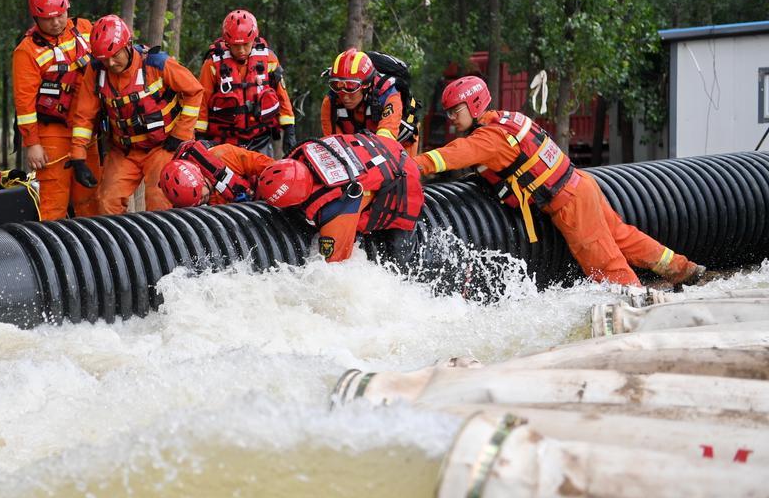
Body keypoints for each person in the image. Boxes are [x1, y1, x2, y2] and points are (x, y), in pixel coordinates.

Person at [418, 75, 706, 286]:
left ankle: (634, 310)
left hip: (567, 204)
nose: (450, 118)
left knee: (605, 264)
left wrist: (406, 165)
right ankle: (685, 269)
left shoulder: (490, 138)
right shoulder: (507, 120)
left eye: (455, 111)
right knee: (623, 237)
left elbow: (448, 156)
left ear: (475, 104)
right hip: (581, 184)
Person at [66, 15, 204, 214]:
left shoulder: (156, 64)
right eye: (104, 59)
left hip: (162, 147)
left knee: (160, 200)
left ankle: (161, 244)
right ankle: (119, 245)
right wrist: (78, 156)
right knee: (106, 201)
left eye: (115, 55)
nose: (111, 63)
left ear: (128, 45)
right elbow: (84, 116)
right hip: (124, 151)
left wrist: (181, 135)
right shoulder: (96, 72)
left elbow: (194, 91)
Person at [254, 133, 425, 263]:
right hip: (381, 146)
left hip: (404, 179)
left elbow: (336, 266)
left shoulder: (336, 212)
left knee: (399, 259)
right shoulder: (298, 157)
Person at [11, 0, 100, 220]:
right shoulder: (27, 51)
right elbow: (24, 102)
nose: (57, 22)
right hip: (52, 133)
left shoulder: (84, 29)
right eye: (49, 18)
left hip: (88, 131)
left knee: (91, 198)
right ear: (36, 18)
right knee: (54, 202)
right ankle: (55, 254)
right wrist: (32, 143)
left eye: (60, 15)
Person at [195, 10, 296, 156]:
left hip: (260, 139)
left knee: (264, 177)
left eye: (246, 45)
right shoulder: (212, 64)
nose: (241, 50)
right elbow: (202, 102)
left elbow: (282, 96)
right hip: (224, 142)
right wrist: (199, 135)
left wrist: (289, 129)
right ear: (227, 43)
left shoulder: (269, 59)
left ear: (254, 39)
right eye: (236, 46)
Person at [321, 48, 418, 156]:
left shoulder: (389, 95)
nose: (344, 95)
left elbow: (385, 141)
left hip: (401, 144)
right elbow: (333, 145)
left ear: (366, 84)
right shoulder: (331, 102)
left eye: (351, 86)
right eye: (336, 85)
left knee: (403, 171)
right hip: (359, 145)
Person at [157, 140, 275, 207]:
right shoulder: (182, 200)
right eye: (195, 203)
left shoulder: (225, 155)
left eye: (199, 195)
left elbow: (270, 167)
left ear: (200, 177)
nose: (199, 201)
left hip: (263, 200)